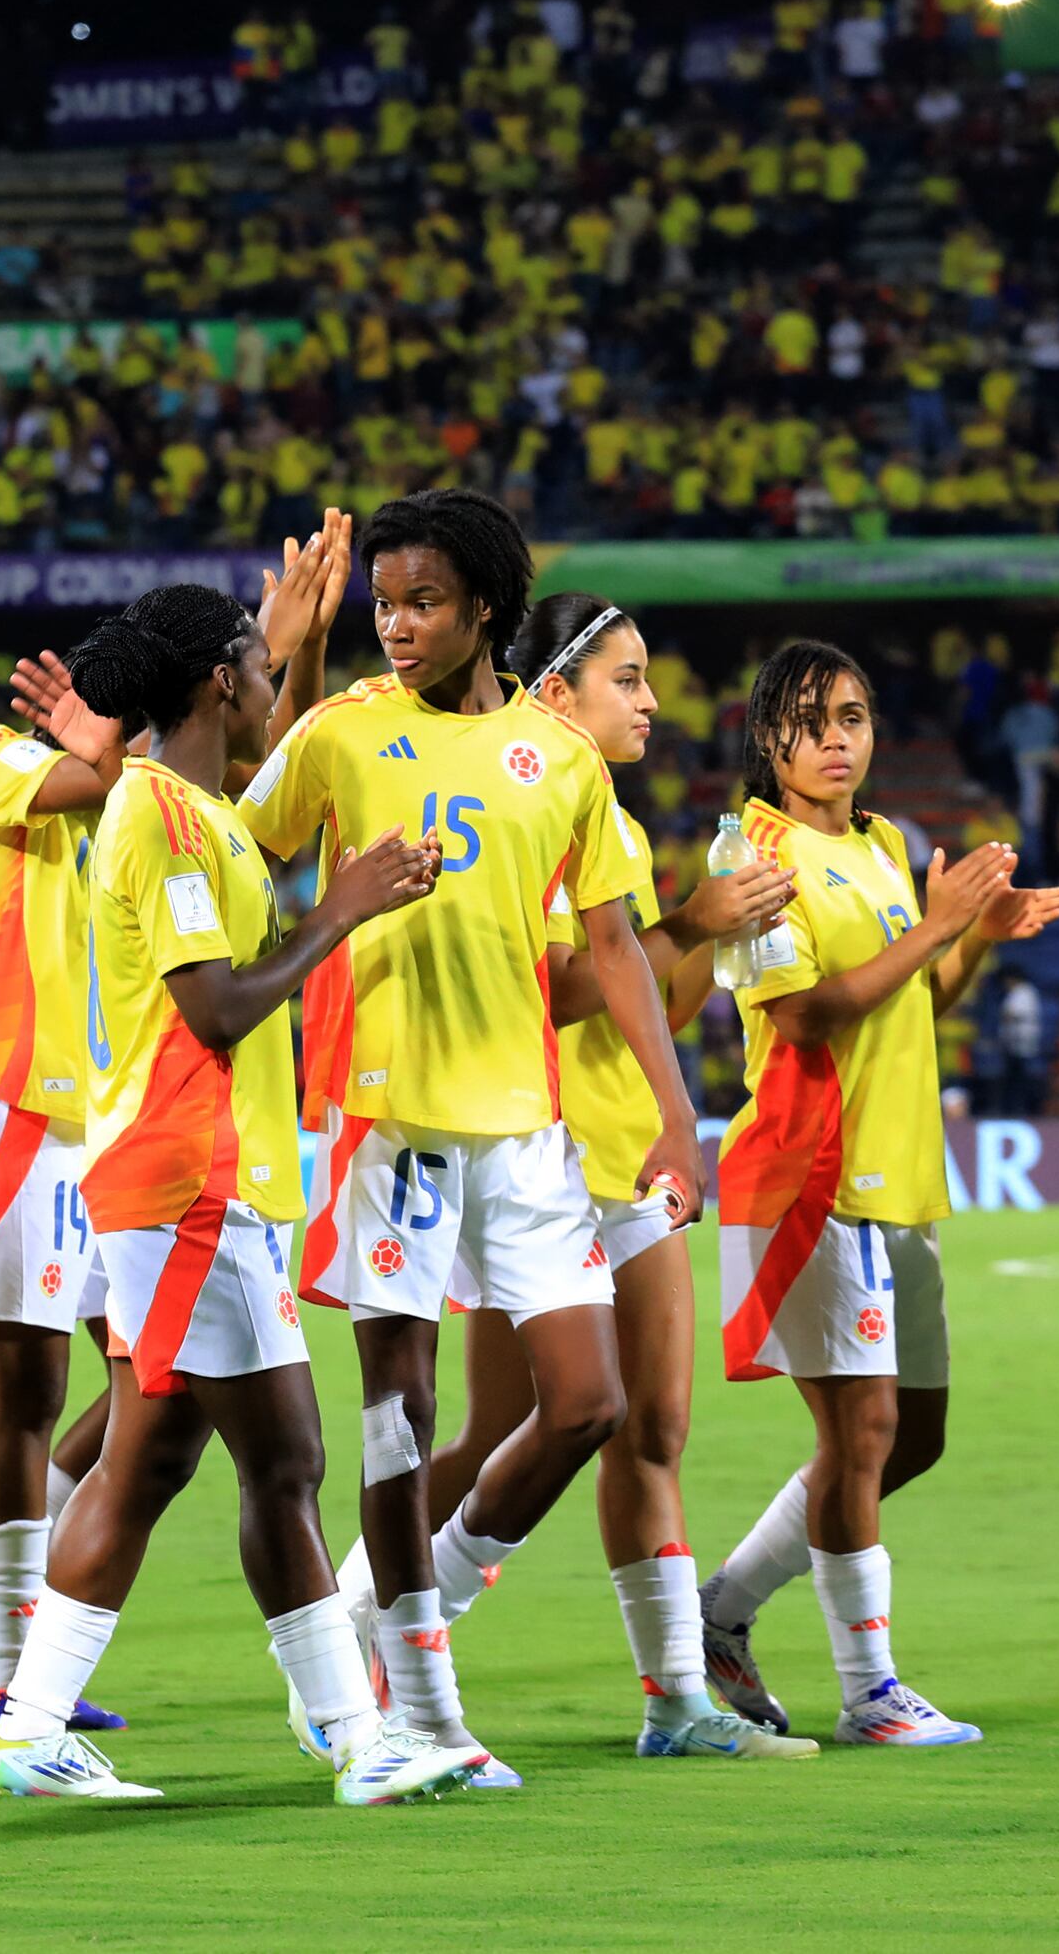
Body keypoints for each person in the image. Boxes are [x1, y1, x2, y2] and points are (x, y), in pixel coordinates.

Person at [0, 592, 479, 1804]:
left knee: (154, 1462)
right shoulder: (163, 817)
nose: (268, 685)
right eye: (257, 665)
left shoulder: (186, 811)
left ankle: (34, 1724)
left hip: (188, 1179)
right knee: (286, 1457)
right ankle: (357, 1738)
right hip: (188, 1179)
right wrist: (341, 914)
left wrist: (294, 641)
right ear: (214, 683)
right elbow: (217, 1008)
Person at [236, 489, 702, 1790]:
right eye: (384, 601)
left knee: (585, 1402)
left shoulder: (558, 757)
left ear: (486, 606)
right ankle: (424, 1705)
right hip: (387, 1124)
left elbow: (611, 943)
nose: (398, 623)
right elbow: (244, 834)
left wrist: (675, 1115)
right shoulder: (339, 730)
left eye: (423, 600)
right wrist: (290, 660)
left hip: (530, 1134)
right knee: (399, 1413)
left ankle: (395, 1625)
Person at [0, 528, 349, 1730]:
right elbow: (168, 781)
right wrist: (208, 679)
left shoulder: (164, 803)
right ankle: (10, 1649)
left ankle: (23, 1645)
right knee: (36, 1385)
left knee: (154, 1403)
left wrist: (287, 656)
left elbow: (251, 806)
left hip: (120, 1121)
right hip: (23, 1108)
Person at [411, 596, 816, 1760]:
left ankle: (676, 1702)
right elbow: (541, 992)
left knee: (650, 1427)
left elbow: (649, 1007)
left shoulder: (612, 825)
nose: (649, 701)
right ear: (556, 693)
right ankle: (371, 1618)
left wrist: (704, 942)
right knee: (515, 1425)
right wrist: (687, 920)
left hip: (627, 1153)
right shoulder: (512, 810)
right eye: (626, 680)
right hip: (542, 1159)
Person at [700, 641, 1059, 1747]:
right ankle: (871, 1693)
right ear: (770, 738)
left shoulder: (885, 843)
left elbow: (909, 1004)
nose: (837, 739)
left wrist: (976, 943)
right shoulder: (749, 850)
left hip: (900, 1173)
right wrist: (936, 927)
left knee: (912, 1437)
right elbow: (808, 1013)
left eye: (854, 718)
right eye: (812, 721)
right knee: (860, 1431)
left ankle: (718, 1611)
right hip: (811, 1172)